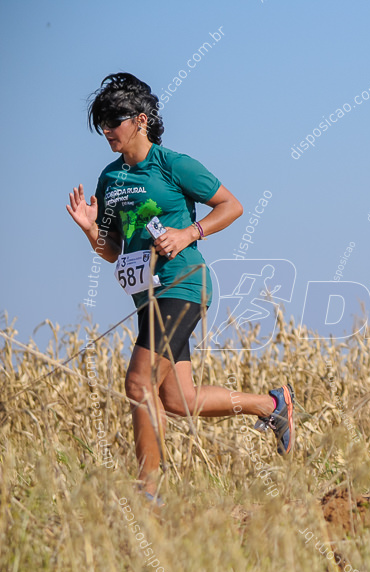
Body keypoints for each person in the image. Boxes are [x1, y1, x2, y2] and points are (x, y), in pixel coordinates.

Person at [65, 73, 295, 504]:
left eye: (114, 120)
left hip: (184, 283)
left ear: (141, 120)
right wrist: (89, 228)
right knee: (178, 399)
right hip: (147, 296)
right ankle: (272, 405)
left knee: (138, 384)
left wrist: (189, 233)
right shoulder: (109, 180)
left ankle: (148, 491)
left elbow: (232, 205)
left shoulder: (173, 164)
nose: (107, 131)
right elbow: (112, 251)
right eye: (102, 123)